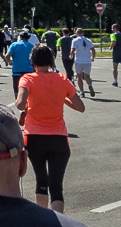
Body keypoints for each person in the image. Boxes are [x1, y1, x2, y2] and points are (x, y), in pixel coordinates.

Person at [16, 45, 85, 212]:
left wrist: (28, 105)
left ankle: (43, 221)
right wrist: (63, 99)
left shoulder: (28, 79)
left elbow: (19, 104)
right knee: (56, 186)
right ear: (52, 60)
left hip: (34, 137)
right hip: (59, 137)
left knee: (41, 181)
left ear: (33, 60)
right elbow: (80, 107)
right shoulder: (62, 79)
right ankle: (58, 223)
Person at [7, 30, 35, 96]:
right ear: (28, 38)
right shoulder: (32, 46)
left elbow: (7, 56)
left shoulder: (14, 45)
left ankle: (18, 103)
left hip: (17, 71)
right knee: (29, 91)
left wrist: (9, 62)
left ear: (20, 37)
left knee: (17, 89)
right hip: (29, 71)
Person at [70, 28, 96, 98]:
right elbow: (93, 49)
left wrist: (71, 55)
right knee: (87, 76)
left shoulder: (75, 40)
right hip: (87, 60)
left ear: (76, 33)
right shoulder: (88, 40)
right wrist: (93, 57)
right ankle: (90, 85)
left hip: (79, 60)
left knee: (79, 76)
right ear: (83, 33)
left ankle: (82, 91)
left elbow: (73, 49)